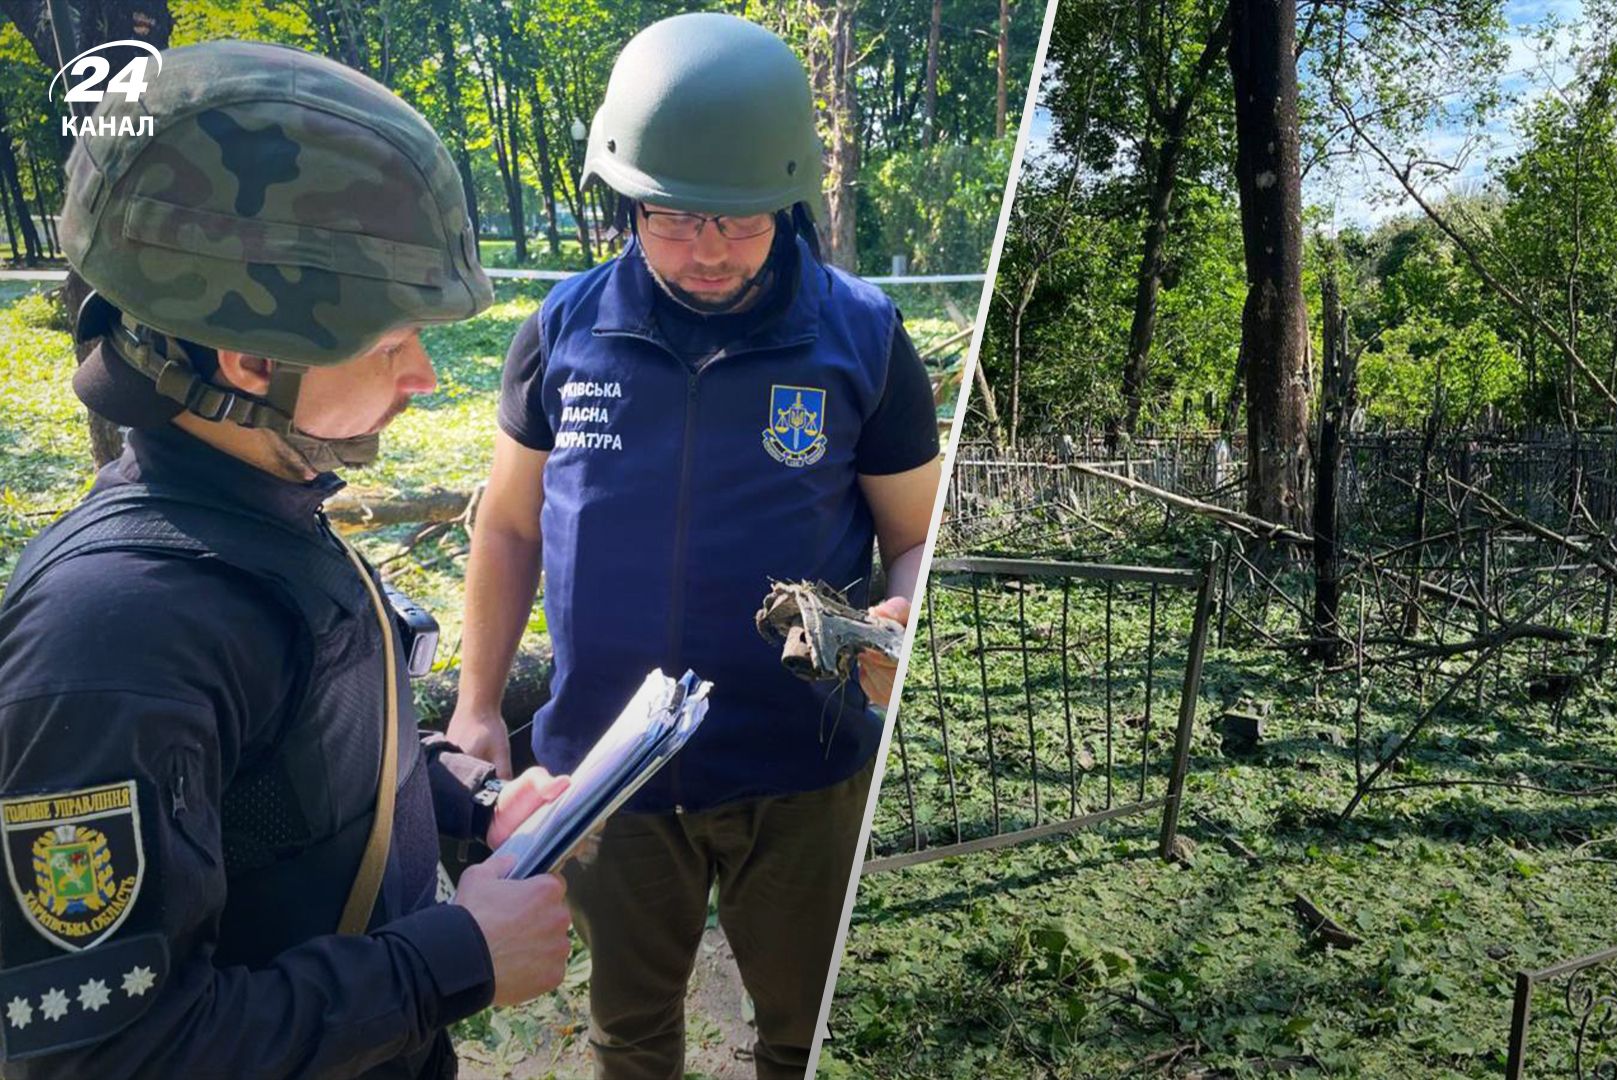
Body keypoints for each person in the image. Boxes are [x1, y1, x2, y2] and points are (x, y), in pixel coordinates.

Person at [0, 41, 574, 1078]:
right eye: (393, 339)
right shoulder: (115, 637)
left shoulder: (267, 517)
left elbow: (293, 792)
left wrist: (472, 803)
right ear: (253, 360)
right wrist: (453, 961)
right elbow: (105, 1055)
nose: (426, 378)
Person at [446, 12, 942, 1079]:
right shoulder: (564, 331)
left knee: (800, 1030)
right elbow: (510, 523)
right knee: (631, 1034)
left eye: (741, 220)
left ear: (789, 199)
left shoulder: (861, 336)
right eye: (672, 218)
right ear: (627, 196)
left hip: (800, 769)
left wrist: (901, 615)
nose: (707, 250)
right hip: (608, 771)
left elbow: (913, 538)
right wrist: (481, 705)